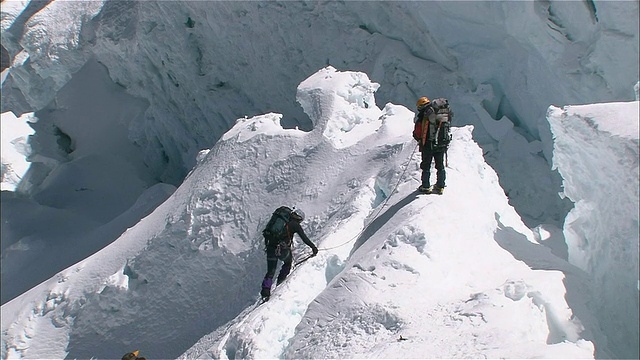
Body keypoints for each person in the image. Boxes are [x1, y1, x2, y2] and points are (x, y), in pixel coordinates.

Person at [261, 208, 318, 299]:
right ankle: (280, 282)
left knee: (270, 271)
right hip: (282, 249)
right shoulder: (295, 225)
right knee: (288, 262)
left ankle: (265, 292)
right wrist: (313, 247)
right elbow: (304, 238)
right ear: (299, 219)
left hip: (270, 247)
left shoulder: (282, 220)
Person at [413, 96, 448, 194]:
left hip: (428, 146)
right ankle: (440, 185)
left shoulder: (423, 116)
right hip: (441, 145)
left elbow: (417, 133)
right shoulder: (440, 113)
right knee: (440, 166)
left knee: (426, 166)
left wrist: (419, 139)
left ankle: (426, 186)